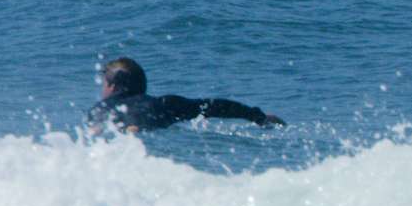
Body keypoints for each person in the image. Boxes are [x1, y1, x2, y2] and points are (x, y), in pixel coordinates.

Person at [88, 57, 286, 133]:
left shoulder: (99, 109)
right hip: (150, 121)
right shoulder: (163, 103)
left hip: (115, 135)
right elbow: (213, 106)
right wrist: (256, 116)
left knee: (100, 130)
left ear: (112, 86)